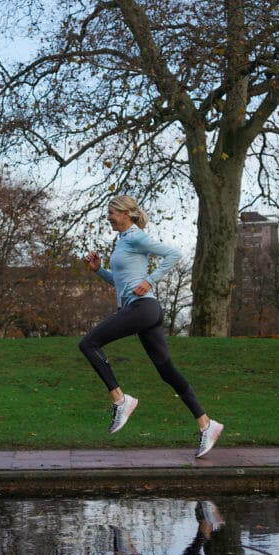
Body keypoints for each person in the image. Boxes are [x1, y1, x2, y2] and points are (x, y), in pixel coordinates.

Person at [80, 195, 224, 458]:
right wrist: (99, 271)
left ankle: (121, 400)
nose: (108, 217)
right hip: (142, 310)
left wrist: (150, 280)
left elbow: (174, 254)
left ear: (127, 214)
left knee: (88, 343)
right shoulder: (123, 241)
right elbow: (123, 283)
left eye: (112, 212)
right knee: (166, 370)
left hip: (142, 308)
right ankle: (207, 424)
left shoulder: (136, 236)